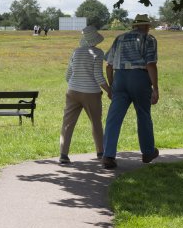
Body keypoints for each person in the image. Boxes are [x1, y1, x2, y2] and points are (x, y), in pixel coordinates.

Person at [102, 14, 160, 169]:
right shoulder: (149, 39)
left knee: (113, 118)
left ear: (134, 26)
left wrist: (112, 85)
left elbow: (108, 65)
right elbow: (151, 64)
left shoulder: (119, 38)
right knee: (143, 114)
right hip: (139, 77)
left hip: (120, 76)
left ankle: (108, 155)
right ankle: (147, 152)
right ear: (146, 26)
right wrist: (155, 87)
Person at [59, 26, 111, 164]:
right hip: (91, 93)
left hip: (72, 92)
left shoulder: (75, 52)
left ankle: (63, 155)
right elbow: (98, 75)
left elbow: (68, 74)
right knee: (96, 122)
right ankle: (100, 152)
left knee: (67, 124)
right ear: (95, 40)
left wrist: (75, 84)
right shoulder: (98, 53)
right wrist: (109, 91)